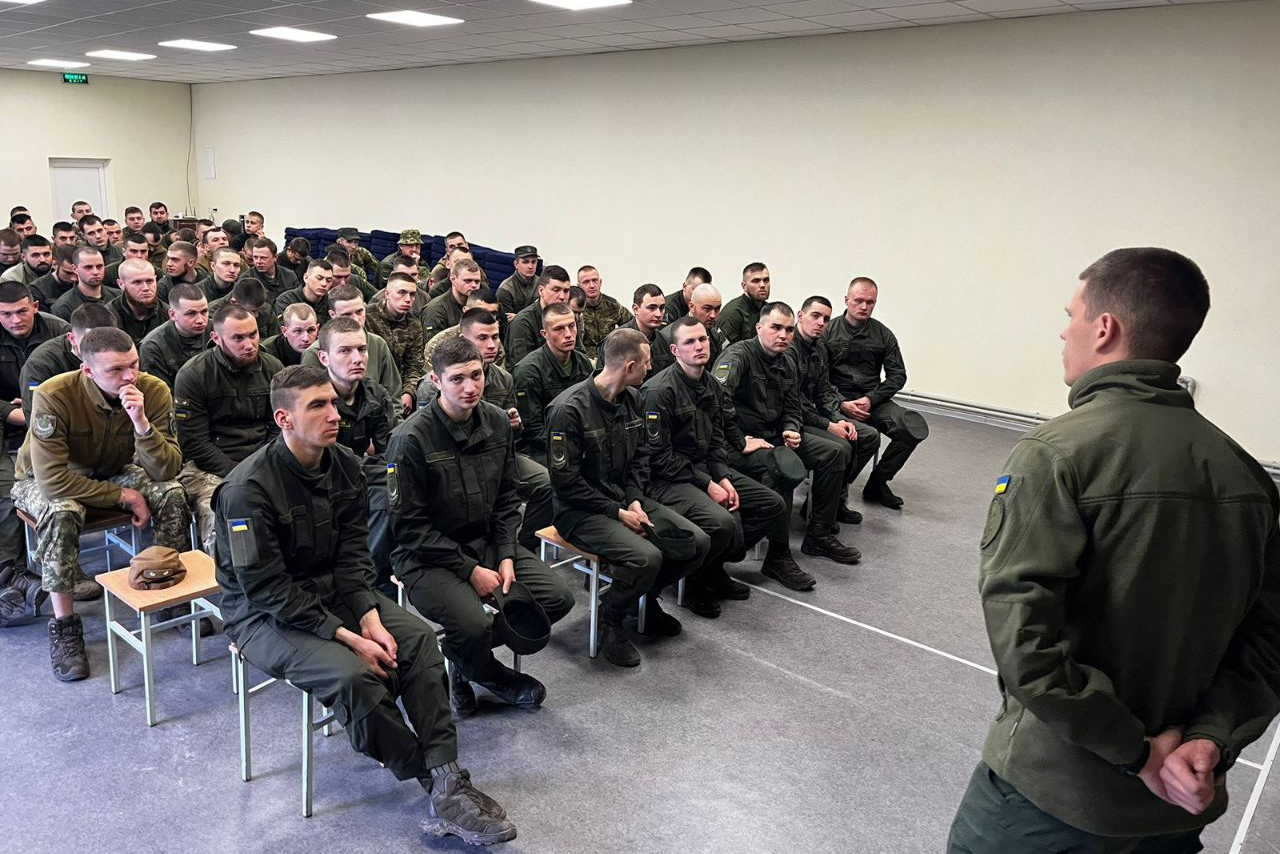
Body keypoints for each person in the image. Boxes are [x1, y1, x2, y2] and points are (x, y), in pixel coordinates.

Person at [948, 247, 1280, 853]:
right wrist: (1209, 739)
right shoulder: (1249, 477)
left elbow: (1027, 644)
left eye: (1070, 315)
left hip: (1052, 800)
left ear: (1104, 329)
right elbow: (1268, 642)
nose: (1063, 331)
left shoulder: (1056, 455)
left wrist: (1136, 752)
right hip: (1177, 805)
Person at [214, 365, 516, 844]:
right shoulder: (246, 491)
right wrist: (351, 638)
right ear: (283, 419)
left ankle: (446, 775)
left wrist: (370, 617)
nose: (334, 414)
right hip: (263, 616)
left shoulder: (345, 466)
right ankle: (434, 780)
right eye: (318, 405)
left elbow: (354, 555)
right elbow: (266, 588)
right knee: (352, 675)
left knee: (417, 640)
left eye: (333, 403)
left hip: (334, 590)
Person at [391, 337, 574, 715]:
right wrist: (470, 570)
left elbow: (507, 498)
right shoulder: (410, 439)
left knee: (557, 598)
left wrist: (506, 554)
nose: (470, 387)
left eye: (476, 375)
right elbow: (409, 528)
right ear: (435, 381)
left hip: (488, 543)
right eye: (457, 379)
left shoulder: (496, 421)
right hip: (428, 558)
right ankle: (491, 673)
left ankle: (461, 659)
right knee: (473, 625)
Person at [13, 328, 189, 680]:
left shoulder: (153, 390)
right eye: (116, 370)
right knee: (62, 511)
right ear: (88, 370)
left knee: (171, 492)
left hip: (110, 470)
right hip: (45, 478)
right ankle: (64, 625)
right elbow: (52, 481)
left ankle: (166, 587)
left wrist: (142, 424)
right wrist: (124, 496)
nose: (129, 376)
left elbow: (167, 469)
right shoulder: (54, 394)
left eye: (133, 364)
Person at [547, 328, 710, 668]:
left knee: (697, 543)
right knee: (646, 558)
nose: (651, 368)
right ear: (630, 366)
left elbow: (640, 457)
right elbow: (566, 483)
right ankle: (611, 617)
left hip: (624, 499)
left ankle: (642, 599)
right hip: (580, 511)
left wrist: (634, 499)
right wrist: (618, 512)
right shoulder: (569, 410)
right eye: (647, 363)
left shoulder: (633, 400)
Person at [642, 317, 785, 618]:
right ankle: (696, 580)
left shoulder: (712, 386)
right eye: (689, 342)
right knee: (721, 523)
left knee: (772, 504)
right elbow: (659, 457)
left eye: (703, 339)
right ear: (674, 351)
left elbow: (717, 441)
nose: (699, 346)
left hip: (702, 469)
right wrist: (708, 484)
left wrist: (723, 478)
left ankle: (712, 565)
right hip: (666, 479)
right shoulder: (659, 391)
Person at [715, 302, 862, 591]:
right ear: (759, 328)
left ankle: (819, 533)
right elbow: (718, 404)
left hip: (775, 436)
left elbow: (793, 405)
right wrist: (740, 440)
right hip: (738, 443)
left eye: (788, 329)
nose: (783, 335)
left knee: (833, 452)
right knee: (781, 467)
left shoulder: (787, 362)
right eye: (776, 327)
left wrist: (791, 428)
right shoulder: (738, 356)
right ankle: (778, 554)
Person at [419, 308, 553, 554]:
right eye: (482, 338)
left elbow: (513, 439)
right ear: (463, 339)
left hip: (496, 455)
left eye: (495, 337)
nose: (491, 345)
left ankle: (524, 545)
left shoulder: (504, 378)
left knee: (547, 483)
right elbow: (429, 436)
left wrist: (514, 426)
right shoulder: (433, 386)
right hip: (452, 460)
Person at [174, 303, 284, 553]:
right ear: (216, 338)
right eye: (238, 338)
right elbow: (195, 444)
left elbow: (278, 428)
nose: (249, 344)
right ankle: (226, 575)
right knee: (221, 513)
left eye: (253, 334)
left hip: (263, 460)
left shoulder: (273, 368)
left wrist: (262, 466)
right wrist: (240, 473)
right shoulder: (194, 374)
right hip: (210, 468)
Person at [823, 277, 929, 510]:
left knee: (910, 429)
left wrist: (871, 399)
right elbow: (817, 377)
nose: (864, 306)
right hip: (835, 400)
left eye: (870, 302)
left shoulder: (883, 334)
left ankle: (877, 483)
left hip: (873, 400)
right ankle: (834, 490)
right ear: (846, 300)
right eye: (858, 300)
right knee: (863, 437)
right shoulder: (827, 332)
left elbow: (897, 375)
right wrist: (842, 403)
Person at [314, 317, 400, 586]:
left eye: (362, 349)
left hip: (361, 476)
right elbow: (325, 462)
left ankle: (392, 572)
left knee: (402, 483)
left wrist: (382, 469)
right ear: (324, 358)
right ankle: (365, 583)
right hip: (320, 483)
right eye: (345, 351)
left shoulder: (375, 394)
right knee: (387, 494)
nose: (357, 358)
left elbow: (391, 449)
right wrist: (378, 470)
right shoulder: (313, 399)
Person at [0, 282, 72, 578]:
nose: (15, 320)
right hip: (8, 428)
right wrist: (11, 412)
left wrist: (37, 409)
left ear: (35, 307)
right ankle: (13, 570)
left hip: (57, 424)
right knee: (7, 492)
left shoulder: (60, 332)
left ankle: (62, 564)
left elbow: (80, 381)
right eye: (6, 314)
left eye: (21, 311)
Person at [790, 296, 880, 522]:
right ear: (800, 316)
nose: (821, 323)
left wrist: (839, 418)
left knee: (868, 436)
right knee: (843, 445)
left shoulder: (820, 347)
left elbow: (824, 390)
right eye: (815, 316)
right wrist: (829, 425)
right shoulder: (788, 348)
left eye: (826, 319)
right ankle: (824, 505)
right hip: (795, 418)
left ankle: (832, 497)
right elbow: (793, 402)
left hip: (815, 413)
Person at [511, 304, 593, 465]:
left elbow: (591, 410)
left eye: (572, 326)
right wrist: (571, 447)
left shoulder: (583, 362)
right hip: (540, 448)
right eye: (559, 329)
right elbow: (532, 429)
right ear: (545, 334)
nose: (568, 334)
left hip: (577, 439)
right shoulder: (528, 371)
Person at [299, 285, 403, 401]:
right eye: (347, 314)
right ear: (333, 315)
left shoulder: (378, 344)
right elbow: (310, 400)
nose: (355, 319)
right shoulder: (314, 353)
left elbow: (393, 396)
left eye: (359, 311)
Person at [20, 303, 117, 415]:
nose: (102, 348)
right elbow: (38, 416)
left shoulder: (123, 354)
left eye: (109, 340)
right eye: (91, 341)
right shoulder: (40, 365)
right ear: (72, 339)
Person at [365, 272, 425, 413]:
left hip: (398, 390)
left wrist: (408, 392)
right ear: (387, 294)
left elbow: (414, 365)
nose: (408, 299)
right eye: (402, 293)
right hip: (369, 387)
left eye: (412, 294)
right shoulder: (366, 316)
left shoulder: (414, 324)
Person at [139, 283, 209, 389]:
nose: (200, 320)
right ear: (172, 315)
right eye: (191, 314)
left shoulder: (218, 331)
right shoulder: (153, 346)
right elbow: (161, 392)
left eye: (204, 312)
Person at [423, 291, 508, 370]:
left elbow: (499, 376)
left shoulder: (493, 343)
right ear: (466, 310)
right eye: (479, 311)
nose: (487, 316)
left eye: (493, 313)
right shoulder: (438, 345)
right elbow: (433, 378)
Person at [506, 265, 571, 365]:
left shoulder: (568, 317)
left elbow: (578, 355)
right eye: (556, 290)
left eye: (566, 291)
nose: (562, 297)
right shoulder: (522, 323)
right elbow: (523, 366)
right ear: (541, 291)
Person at [604, 284, 672, 379]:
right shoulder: (616, 341)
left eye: (661, 308)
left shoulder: (664, 342)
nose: (658, 314)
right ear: (636, 309)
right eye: (651, 308)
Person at [51, 246, 121, 322]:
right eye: (88, 267)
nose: (95, 272)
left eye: (99, 266)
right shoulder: (64, 307)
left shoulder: (119, 296)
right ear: (75, 269)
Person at [107, 259, 166, 345]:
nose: (146, 288)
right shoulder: (109, 317)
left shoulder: (169, 315)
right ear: (121, 284)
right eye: (137, 282)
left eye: (149, 281)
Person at [421, 259, 482, 343]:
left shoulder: (481, 305)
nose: (474, 285)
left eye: (477, 281)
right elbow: (433, 347)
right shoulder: (435, 310)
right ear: (453, 279)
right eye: (468, 281)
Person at [576, 265, 631, 352]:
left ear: (600, 282)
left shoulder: (612, 305)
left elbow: (632, 325)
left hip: (610, 355)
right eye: (586, 282)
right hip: (584, 357)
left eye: (595, 280)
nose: (592, 285)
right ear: (579, 286)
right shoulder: (576, 308)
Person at [718, 262, 771, 344]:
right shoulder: (733, 313)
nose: (762, 285)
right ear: (744, 286)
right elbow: (723, 350)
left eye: (766, 280)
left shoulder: (770, 311)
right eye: (756, 281)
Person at [242, 237, 298, 303]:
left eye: (263, 258)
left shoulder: (289, 276)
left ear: (275, 257)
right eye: (255, 257)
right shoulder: (246, 279)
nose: (258, 261)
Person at [262, 303, 318, 368]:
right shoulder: (269, 353)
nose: (306, 339)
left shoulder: (324, 346)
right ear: (284, 331)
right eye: (298, 331)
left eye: (311, 330)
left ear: (318, 328)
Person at [496, 245, 539, 322]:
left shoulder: (542, 283)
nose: (530, 266)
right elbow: (506, 322)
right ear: (516, 264)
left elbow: (546, 313)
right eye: (525, 262)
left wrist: (518, 317)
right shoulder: (506, 289)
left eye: (533, 262)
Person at [29, 245, 79, 311]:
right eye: (68, 273)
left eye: (78, 273)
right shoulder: (37, 290)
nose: (74, 278)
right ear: (55, 264)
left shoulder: (86, 284)